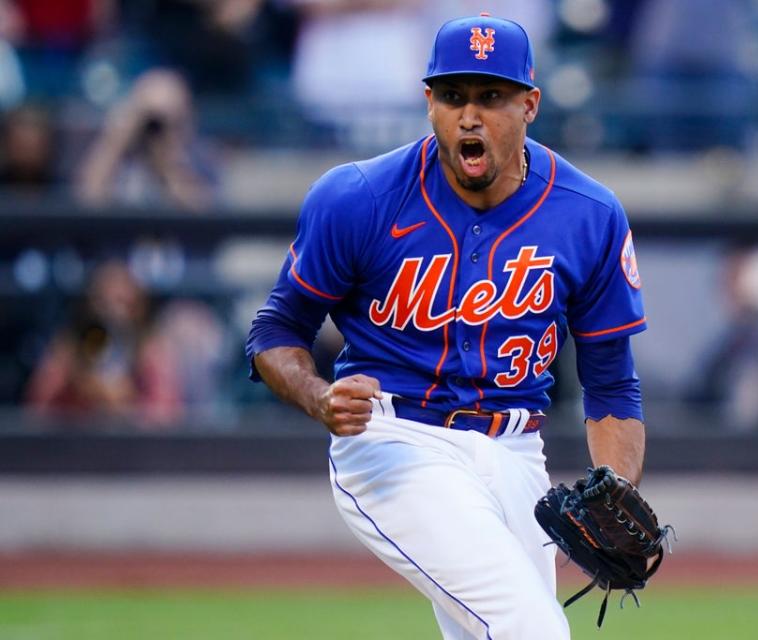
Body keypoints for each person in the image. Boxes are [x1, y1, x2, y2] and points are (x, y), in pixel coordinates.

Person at [246, 14, 648, 639]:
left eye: (491, 97)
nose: (470, 116)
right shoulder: (359, 198)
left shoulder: (587, 214)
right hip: (396, 444)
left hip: (518, 454)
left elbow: (612, 383)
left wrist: (616, 485)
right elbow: (275, 331)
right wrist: (319, 395)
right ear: (428, 101)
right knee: (531, 632)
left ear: (530, 104)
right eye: (453, 95)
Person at [25, 259, 181, 427]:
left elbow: (166, 417)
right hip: (73, 446)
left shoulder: (151, 352)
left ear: (138, 307)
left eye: (122, 303)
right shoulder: (67, 349)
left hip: (135, 448)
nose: (112, 313)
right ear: (88, 305)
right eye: (103, 303)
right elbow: (37, 409)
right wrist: (78, 384)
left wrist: (126, 402)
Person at [74, 68, 218, 211]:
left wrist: (168, 160)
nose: (157, 129)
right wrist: (116, 140)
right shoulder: (122, 155)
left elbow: (201, 210)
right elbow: (86, 198)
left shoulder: (201, 157)